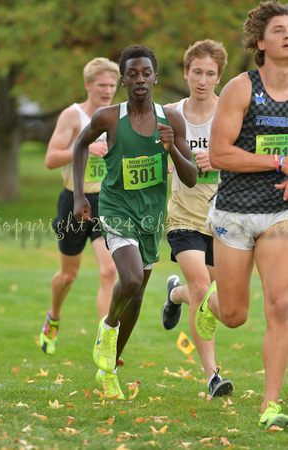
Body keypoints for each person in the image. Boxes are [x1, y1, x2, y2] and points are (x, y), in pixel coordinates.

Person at [73, 45, 197, 399]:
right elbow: (80, 146)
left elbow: (190, 177)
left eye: (146, 73)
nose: (140, 79)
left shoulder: (171, 120)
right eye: (133, 74)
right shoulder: (109, 117)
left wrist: (172, 148)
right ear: (124, 79)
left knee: (138, 295)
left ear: (155, 78)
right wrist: (81, 194)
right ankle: (107, 326)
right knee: (127, 279)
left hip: (150, 218)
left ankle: (108, 368)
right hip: (115, 209)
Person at [195, 0, 288, 430]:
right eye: (279, 29)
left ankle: (272, 404)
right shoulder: (241, 88)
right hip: (234, 213)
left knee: (282, 305)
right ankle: (206, 304)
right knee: (234, 315)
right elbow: (220, 153)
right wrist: (277, 163)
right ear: (259, 41)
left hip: (279, 216)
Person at [161, 40, 233, 397]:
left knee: (219, 298)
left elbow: (248, 165)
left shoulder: (231, 113)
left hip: (222, 219)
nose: (202, 80)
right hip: (182, 216)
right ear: (186, 72)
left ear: (219, 77)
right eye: (196, 72)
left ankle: (174, 294)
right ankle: (212, 376)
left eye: (210, 74)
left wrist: (218, 161)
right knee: (204, 290)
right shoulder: (170, 113)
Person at [39, 57, 119, 356]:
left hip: (104, 203)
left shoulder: (116, 115)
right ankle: (54, 317)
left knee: (109, 270)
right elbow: (49, 159)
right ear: (88, 85)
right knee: (68, 276)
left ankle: (105, 342)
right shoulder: (72, 116)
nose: (108, 91)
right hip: (73, 202)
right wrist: (84, 147)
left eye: (112, 85)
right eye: (102, 86)